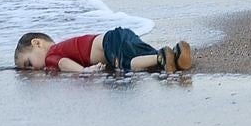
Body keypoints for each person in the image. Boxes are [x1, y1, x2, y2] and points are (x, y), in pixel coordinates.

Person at [14, 27, 192, 74]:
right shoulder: (62, 46)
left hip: (109, 44)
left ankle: (162, 57)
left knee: (128, 65)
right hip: (118, 35)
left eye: (28, 63)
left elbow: (63, 64)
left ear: (37, 43)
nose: (32, 69)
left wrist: (83, 71)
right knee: (145, 56)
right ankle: (174, 55)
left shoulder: (51, 55)